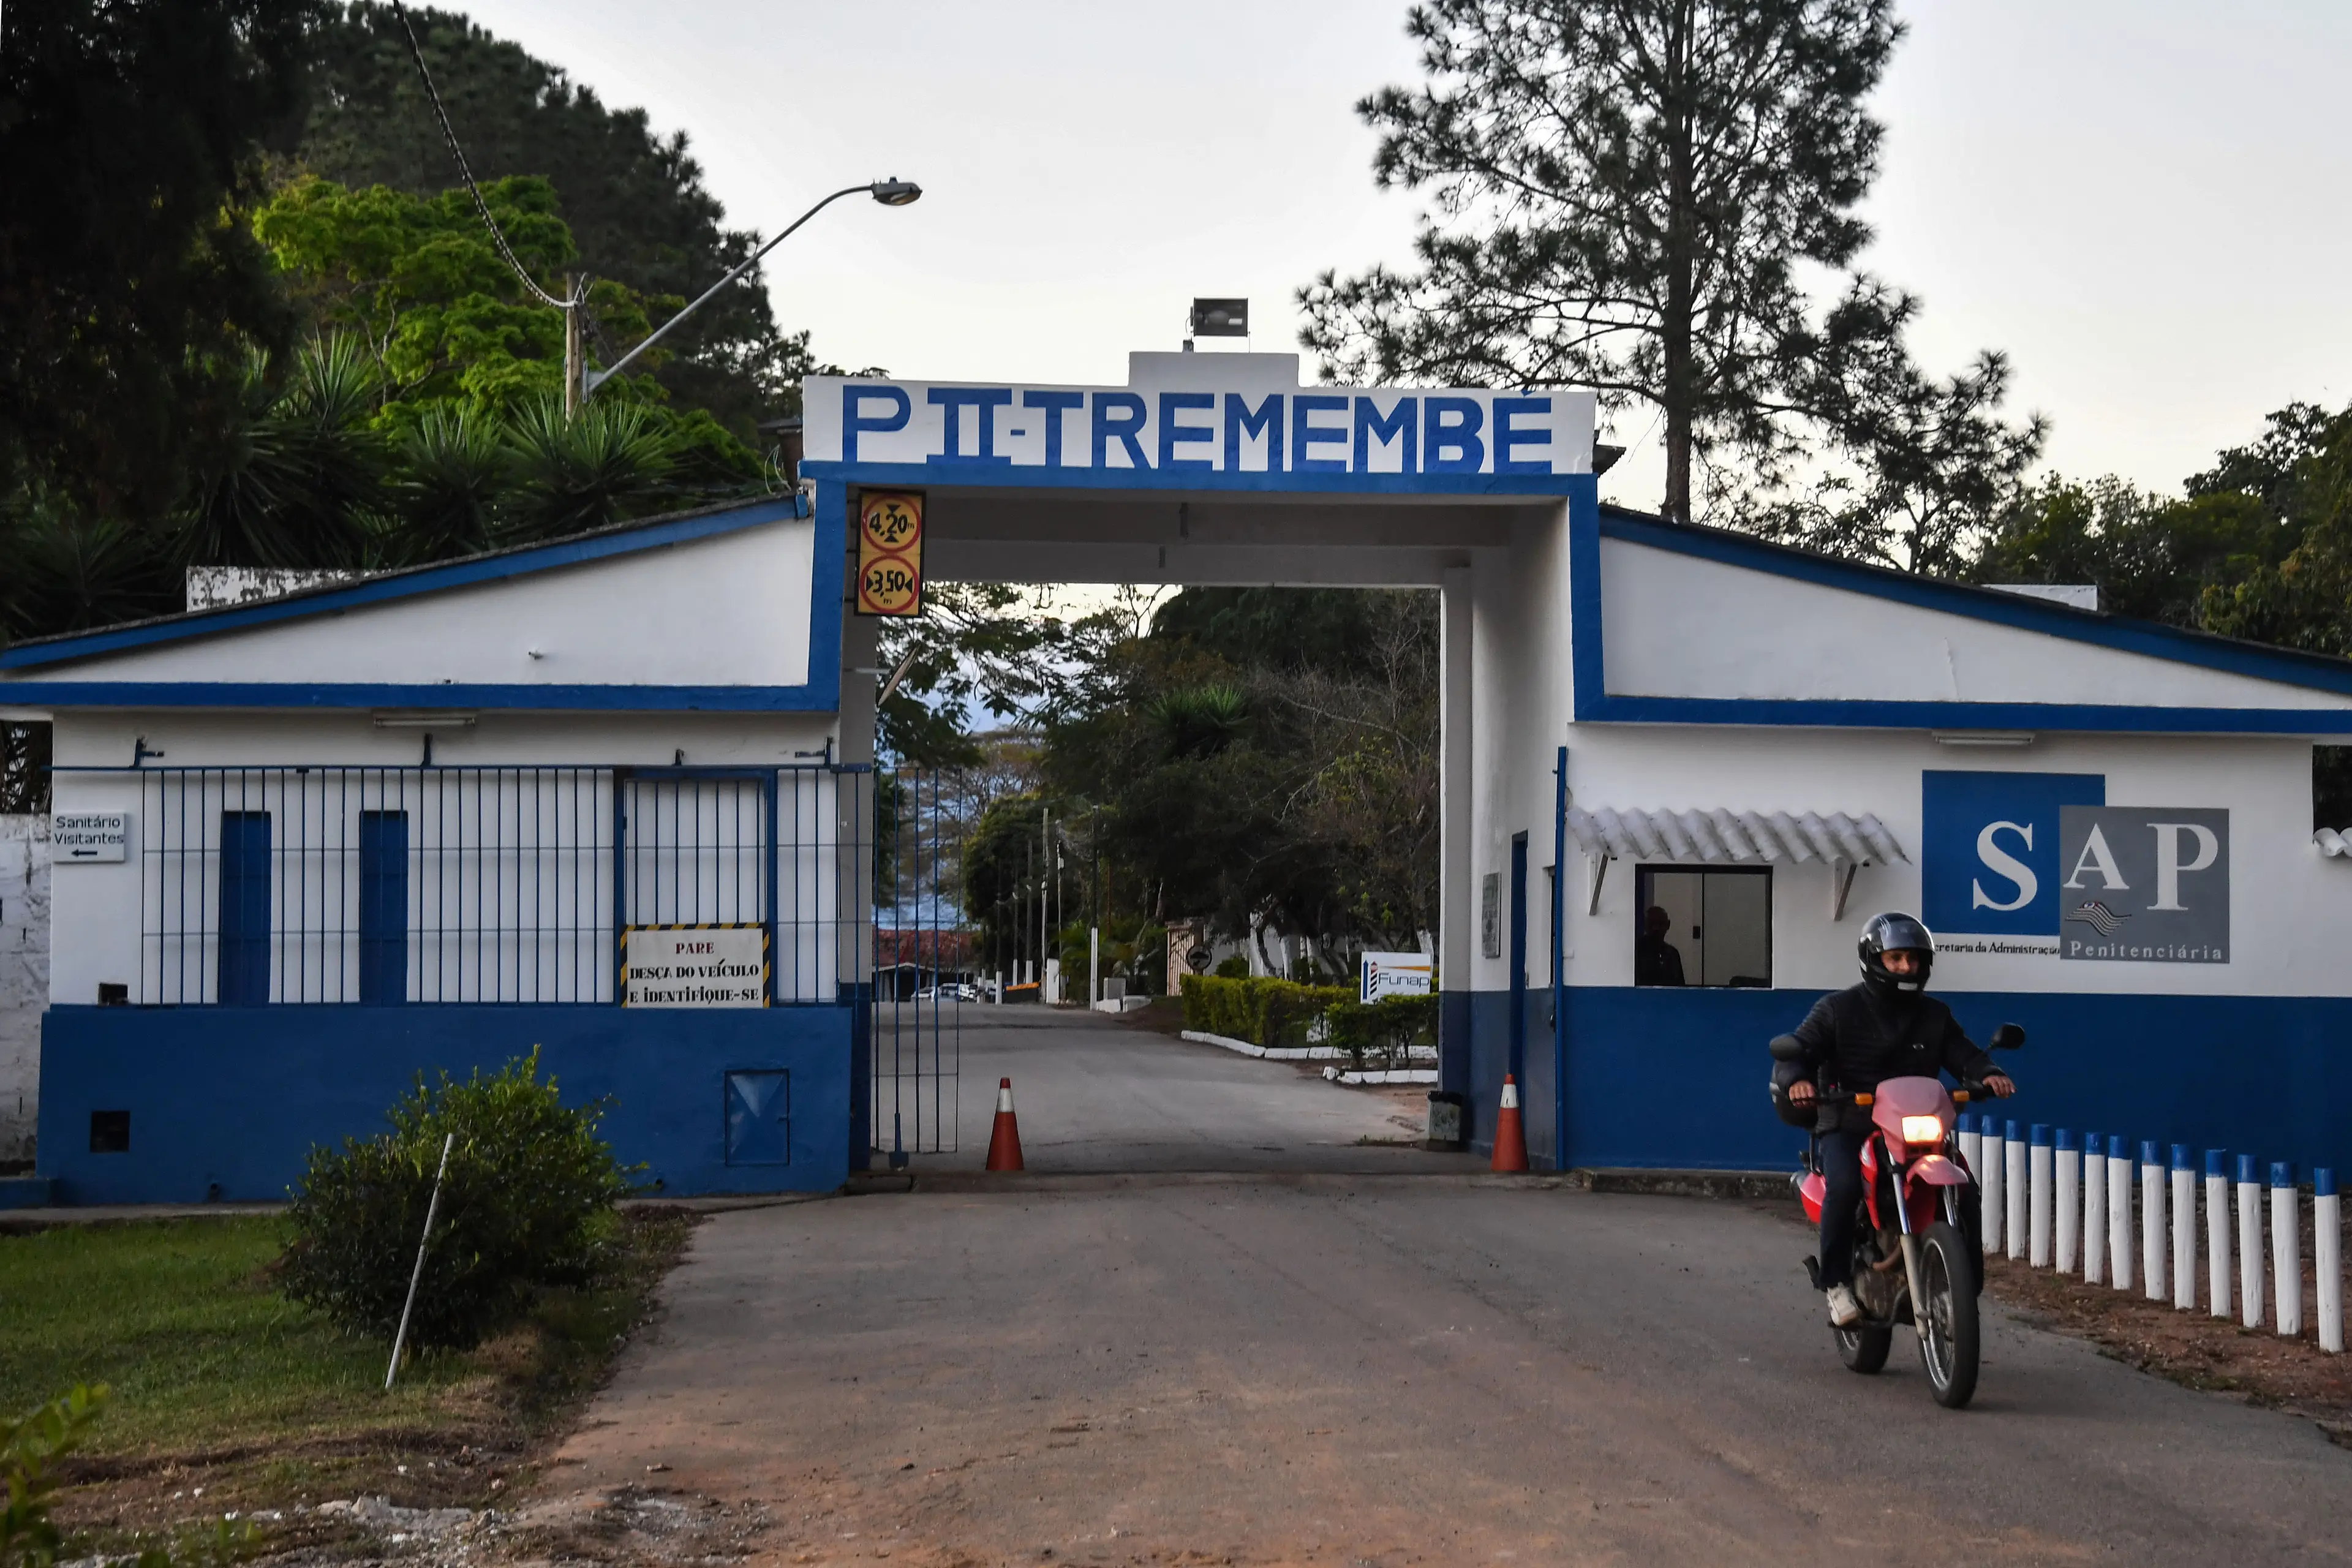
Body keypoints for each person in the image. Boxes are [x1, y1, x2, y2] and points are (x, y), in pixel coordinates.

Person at [1782, 912, 2015, 1328]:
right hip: (1851, 1122)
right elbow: (1799, 1048)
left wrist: (1988, 1073)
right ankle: (1835, 1283)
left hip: (1915, 1126)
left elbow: (1962, 1053)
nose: (1907, 967)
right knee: (1846, 1186)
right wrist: (1797, 1079)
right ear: (1874, 959)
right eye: (1896, 959)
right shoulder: (1837, 1009)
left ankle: (1966, 1288)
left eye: (1914, 959)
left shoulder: (1935, 1015)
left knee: (1968, 1193)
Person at [1635, 905, 1686, 987]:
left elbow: (1680, 987)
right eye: (1651, 924)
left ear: (1668, 925)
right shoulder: (1636, 952)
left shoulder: (1673, 954)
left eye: (1660, 924)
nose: (1656, 928)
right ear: (1645, 925)